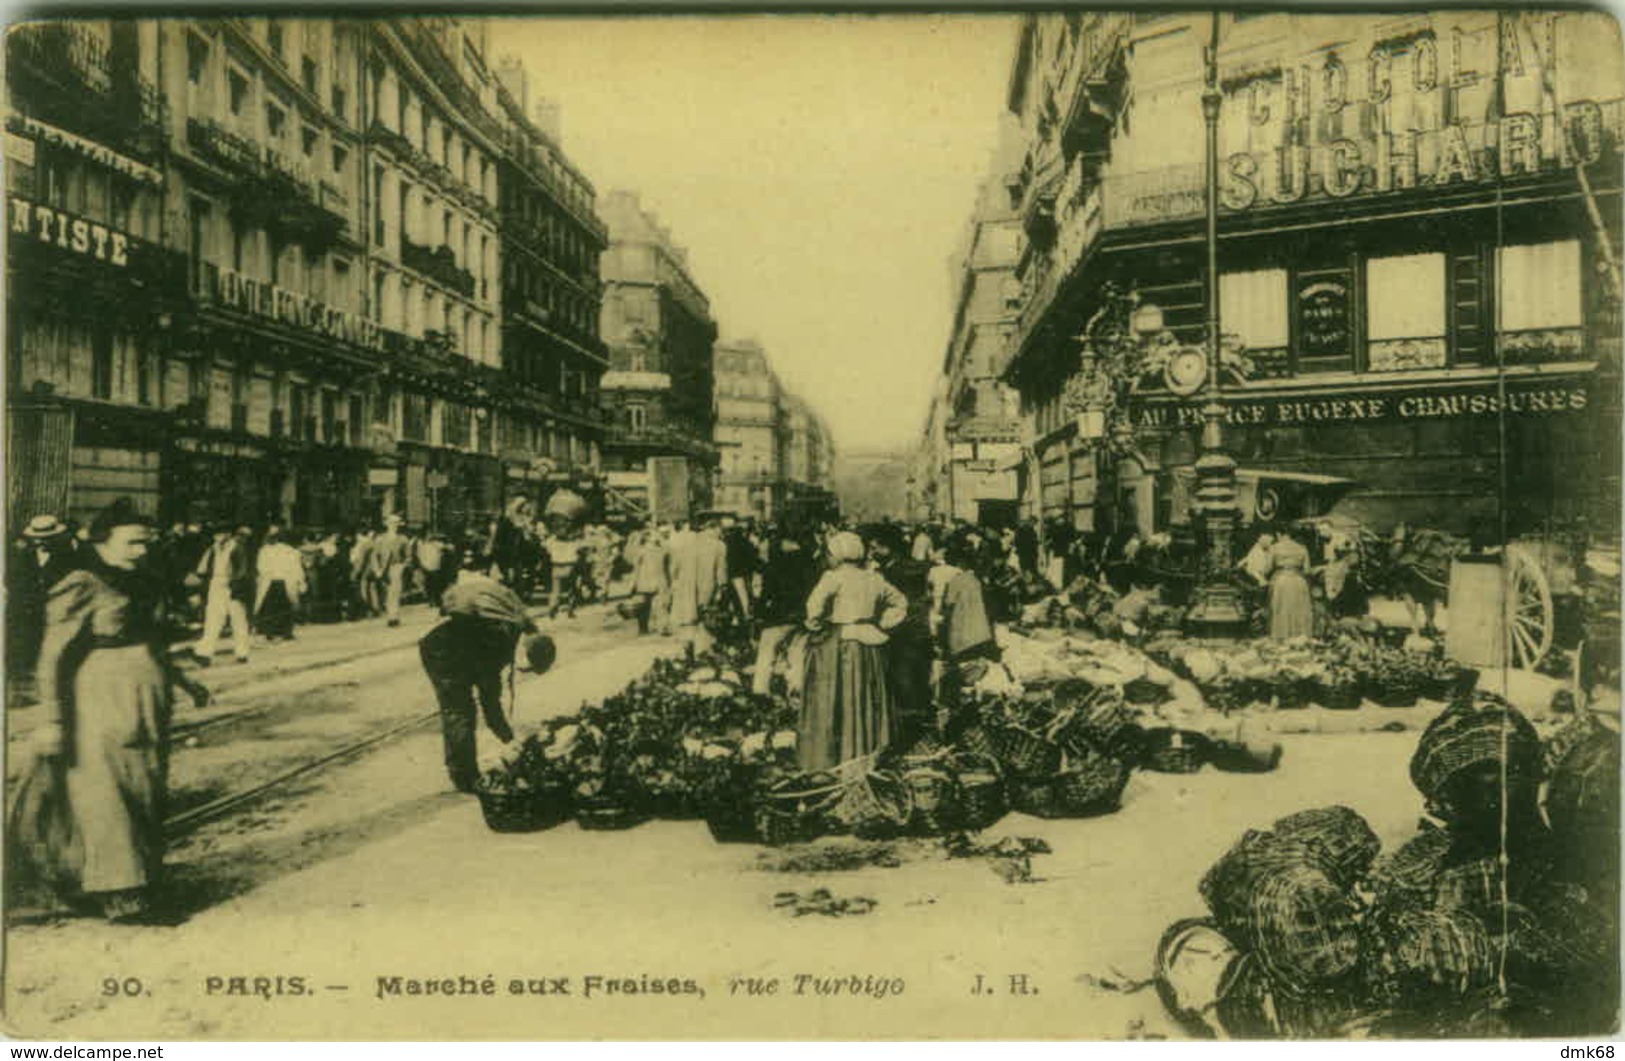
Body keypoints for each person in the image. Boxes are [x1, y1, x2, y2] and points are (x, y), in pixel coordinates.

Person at [32, 498, 209, 922]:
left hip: (146, 697)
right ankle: (121, 895)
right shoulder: (82, 582)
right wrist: (52, 718)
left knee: (143, 784)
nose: (142, 551)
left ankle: (142, 881)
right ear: (102, 543)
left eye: (146, 543)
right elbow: (51, 655)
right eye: (133, 543)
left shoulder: (143, 580)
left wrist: (187, 681)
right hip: (99, 694)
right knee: (104, 789)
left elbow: (156, 640)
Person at [419, 553, 543, 792]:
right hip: (446, 650)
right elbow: (490, 702)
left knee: (459, 709)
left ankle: (463, 774)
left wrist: (509, 738)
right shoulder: (502, 640)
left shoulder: (511, 619)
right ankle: (464, 778)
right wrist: (512, 740)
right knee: (460, 710)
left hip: (444, 639)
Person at [798, 531, 908, 770]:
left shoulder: (832, 578)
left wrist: (817, 625)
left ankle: (842, 754)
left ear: (837, 554)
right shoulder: (874, 578)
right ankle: (866, 751)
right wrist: (882, 623)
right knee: (868, 696)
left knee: (841, 696)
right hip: (871, 642)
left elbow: (813, 608)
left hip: (842, 644)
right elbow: (900, 603)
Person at [193, 526, 252, 665]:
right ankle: (204, 653)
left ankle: (242, 652)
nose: (217, 537)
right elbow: (203, 568)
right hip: (216, 585)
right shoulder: (213, 549)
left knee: (238, 620)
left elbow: (242, 570)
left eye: (220, 533)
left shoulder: (236, 548)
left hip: (232, 585)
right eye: (215, 534)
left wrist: (235, 585)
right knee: (213, 619)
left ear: (227, 534)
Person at [253, 528, 306, 641]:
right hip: (280, 581)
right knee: (281, 607)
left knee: (274, 608)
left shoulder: (266, 550)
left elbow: (260, 567)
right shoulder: (290, 551)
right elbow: (297, 569)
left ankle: (274, 632)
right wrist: (300, 581)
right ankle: (282, 632)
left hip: (274, 581)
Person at [1262, 528, 1314, 639]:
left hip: (1282, 581)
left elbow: (1267, 569)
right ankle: (1299, 638)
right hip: (1299, 581)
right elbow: (1307, 571)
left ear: (1279, 534)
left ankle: (1282, 638)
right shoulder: (1302, 548)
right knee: (1299, 610)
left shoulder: (1274, 548)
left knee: (1282, 610)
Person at [371, 514, 413, 627]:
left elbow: (409, 557)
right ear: (387, 524)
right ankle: (390, 614)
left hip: (396, 567)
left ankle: (393, 617)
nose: (394, 525)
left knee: (395, 592)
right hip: (383, 569)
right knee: (386, 593)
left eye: (397, 523)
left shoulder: (403, 539)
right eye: (392, 523)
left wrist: (403, 566)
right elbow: (374, 556)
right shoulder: (380, 539)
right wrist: (377, 570)